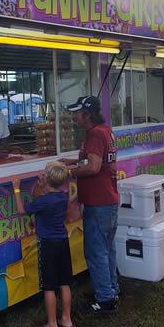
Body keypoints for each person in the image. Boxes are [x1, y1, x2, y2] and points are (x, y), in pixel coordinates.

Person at [64, 95, 119, 315]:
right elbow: (97, 161)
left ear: (88, 114)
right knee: (108, 249)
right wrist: (74, 161)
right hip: (109, 200)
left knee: (97, 251)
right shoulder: (105, 130)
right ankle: (110, 289)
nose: (74, 117)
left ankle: (105, 300)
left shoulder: (95, 134)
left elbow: (94, 167)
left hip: (98, 201)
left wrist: (67, 172)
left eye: (77, 113)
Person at [13, 162, 75, 327]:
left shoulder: (43, 201)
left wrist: (17, 189)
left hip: (48, 244)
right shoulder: (63, 196)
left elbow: (20, 210)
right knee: (64, 283)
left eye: (43, 174)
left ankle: (52, 326)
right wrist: (44, 185)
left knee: (49, 287)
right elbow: (47, 194)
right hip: (63, 242)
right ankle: (67, 319)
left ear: (47, 179)